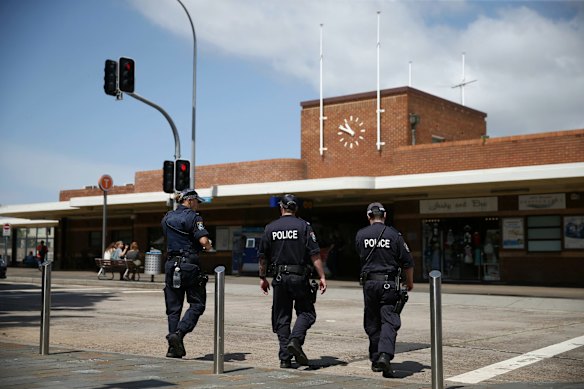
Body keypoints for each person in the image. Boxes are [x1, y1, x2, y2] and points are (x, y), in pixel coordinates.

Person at [258, 193, 327, 368]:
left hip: (279, 278)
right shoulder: (304, 226)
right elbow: (315, 254)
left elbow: (262, 257)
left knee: (282, 317)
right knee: (307, 313)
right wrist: (322, 275)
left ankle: (285, 358)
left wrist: (262, 278)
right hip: (299, 277)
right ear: (296, 208)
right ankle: (295, 341)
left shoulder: (270, 228)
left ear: (281, 207)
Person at [355, 202, 414, 378]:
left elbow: (360, 256)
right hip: (389, 284)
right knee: (389, 320)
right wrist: (409, 282)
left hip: (369, 284)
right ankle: (384, 355)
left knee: (372, 321)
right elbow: (408, 262)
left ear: (368, 216)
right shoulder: (394, 235)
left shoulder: (361, 235)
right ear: (385, 215)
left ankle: (376, 359)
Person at [161, 188, 213, 359]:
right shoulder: (194, 217)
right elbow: (204, 241)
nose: (198, 205)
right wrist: (208, 246)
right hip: (189, 265)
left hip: (171, 265)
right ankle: (179, 333)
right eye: (197, 201)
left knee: (173, 309)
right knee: (197, 304)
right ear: (190, 200)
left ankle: (173, 349)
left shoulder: (167, 217)